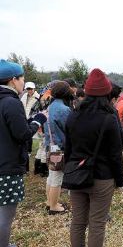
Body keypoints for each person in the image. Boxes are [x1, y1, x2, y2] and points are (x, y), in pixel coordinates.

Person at [65, 68, 123, 247]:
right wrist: (121, 180)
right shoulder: (108, 118)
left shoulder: (73, 115)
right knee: (97, 223)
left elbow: (68, 148)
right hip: (102, 177)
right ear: (107, 93)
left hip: (76, 174)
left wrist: (69, 170)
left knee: (78, 221)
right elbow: (116, 154)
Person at [0, 59, 47, 247]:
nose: (23, 83)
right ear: (13, 80)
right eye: (22, 79)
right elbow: (23, 134)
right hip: (7, 167)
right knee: (5, 214)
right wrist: (38, 120)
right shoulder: (11, 102)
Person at [44, 81, 73, 215]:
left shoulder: (50, 107)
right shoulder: (64, 109)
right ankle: (54, 206)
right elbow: (70, 129)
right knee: (57, 178)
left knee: (51, 175)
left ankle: (49, 202)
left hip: (50, 146)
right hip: (59, 148)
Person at [21, 82, 41, 172]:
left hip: (32, 120)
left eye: (31, 89)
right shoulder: (24, 96)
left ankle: (29, 155)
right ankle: (26, 165)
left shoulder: (38, 97)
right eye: (28, 89)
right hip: (23, 119)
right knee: (26, 139)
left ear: (34, 88)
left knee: (29, 138)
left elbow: (39, 110)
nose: (29, 90)